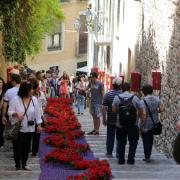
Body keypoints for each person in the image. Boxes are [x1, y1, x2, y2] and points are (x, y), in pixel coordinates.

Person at [8, 82, 42, 170]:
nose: (32, 91)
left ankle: (24, 163)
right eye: (30, 89)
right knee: (18, 147)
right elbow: (9, 112)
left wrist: (39, 125)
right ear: (25, 90)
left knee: (27, 148)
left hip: (30, 128)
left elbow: (38, 113)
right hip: (18, 128)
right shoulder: (15, 99)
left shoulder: (34, 99)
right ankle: (17, 164)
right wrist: (16, 114)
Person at [112, 82, 145, 165]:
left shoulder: (117, 98)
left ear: (121, 89)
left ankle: (121, 160)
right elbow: (141, 109)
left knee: (121, 143)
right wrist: (141, 119)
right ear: (130, 89)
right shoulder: (135, 98)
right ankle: (130, 160)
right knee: (133, 143)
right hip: (133, 124)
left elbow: (113, 110)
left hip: (120, 124)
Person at [141, 84, 164, 162]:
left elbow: (144, 114)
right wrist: (154, 111)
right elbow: (162, 109)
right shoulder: (157, 99)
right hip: (155, 122)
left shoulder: (143, 100)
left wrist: (142, 125)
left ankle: (147, 156)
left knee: (145, 139)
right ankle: (148, 155)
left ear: (144, 92)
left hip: (147, 122)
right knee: (150, 139)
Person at [102, 77, 122, 158]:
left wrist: (104, 119)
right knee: (120, 137)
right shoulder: (123, 95)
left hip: (110, 119)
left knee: (110, 135)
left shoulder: (108, 94)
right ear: (120, 85)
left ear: (112, 85)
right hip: (121, 120)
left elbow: (104, 108)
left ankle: (109, 152)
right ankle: (118, 153)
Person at [29, 78, 47, 156]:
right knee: (30, 133)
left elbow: (44, 102)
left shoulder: (41, 94)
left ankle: (34, 151)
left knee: (37, 134)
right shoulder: (29, 95)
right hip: (30, 116)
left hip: (39, 115)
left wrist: (42, 109)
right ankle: (28, 148)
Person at [0, 77, 6, 148]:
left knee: (1, 128)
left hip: (3, 112)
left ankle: (1, 142)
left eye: (1, 82)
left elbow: (4, 103)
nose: (0, 84)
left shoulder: (5, 92)